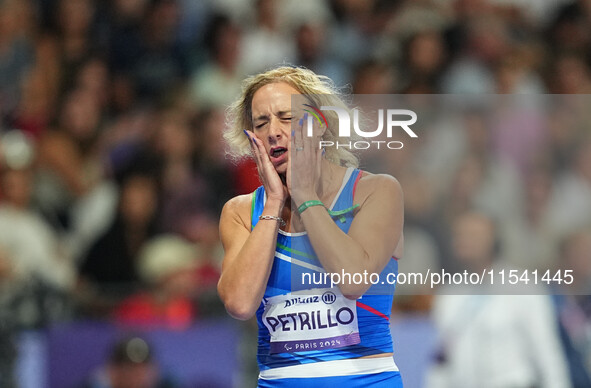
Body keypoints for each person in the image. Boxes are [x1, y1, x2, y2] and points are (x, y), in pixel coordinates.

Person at [217, 66, 404, 387]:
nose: (273, 131)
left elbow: (353, 281)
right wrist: (274, 205)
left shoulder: (376, 191)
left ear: (319, 123)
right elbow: (240, 303)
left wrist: (304, 194)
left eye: (285, 117)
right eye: (261, 123)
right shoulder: (240, 211)